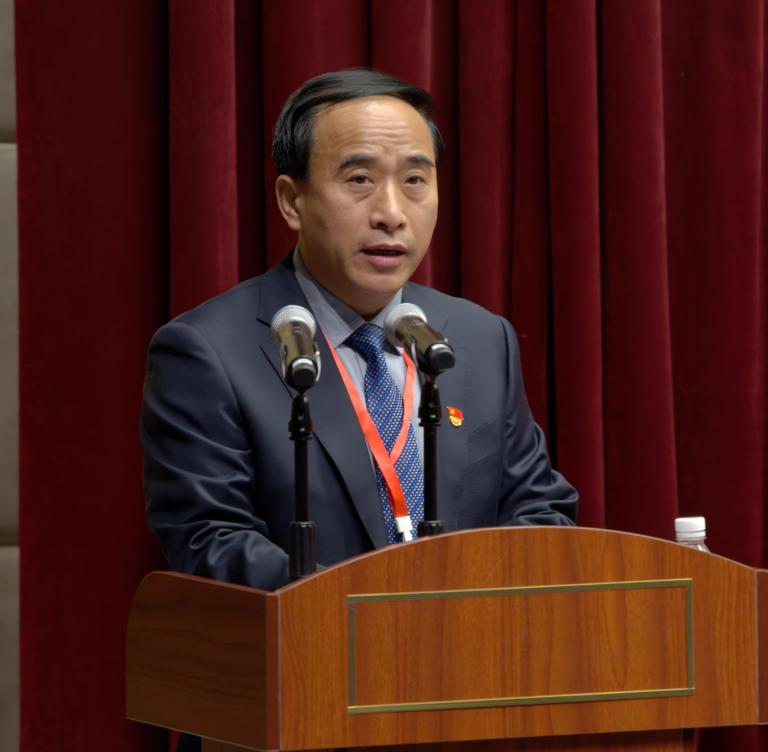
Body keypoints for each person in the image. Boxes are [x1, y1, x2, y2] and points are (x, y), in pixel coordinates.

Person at [141, 69, 577, 596]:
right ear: (291, 201)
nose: (391, 214)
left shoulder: (480, 339)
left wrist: (460, 608)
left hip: (471, 641)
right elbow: (212, 541)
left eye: (414, 180)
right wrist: (369, 614)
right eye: (359, 180)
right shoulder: (208, 352)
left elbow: (540, 510)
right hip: (313, 644)